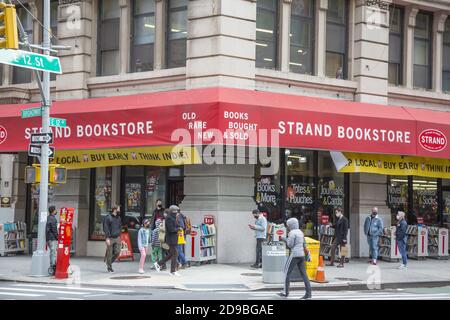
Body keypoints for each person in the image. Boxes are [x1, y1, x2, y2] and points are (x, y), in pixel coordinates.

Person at [278, 218, 312, 299]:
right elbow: (304, 244)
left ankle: (286, 292)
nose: (288, 227)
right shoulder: (300, 232)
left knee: (286, 273)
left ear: (291, 225)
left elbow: (290, 245)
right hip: (302, 255)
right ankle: (308, 293)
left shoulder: (292, 233)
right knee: (304, 274)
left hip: (294, 255)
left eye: (288, 225)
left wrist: (283, 238)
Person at [154, 205, 180, 276]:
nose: (177, 213)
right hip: (171, 239)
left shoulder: (173, 218)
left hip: (174, 239)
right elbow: (171, 229)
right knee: (175, 254)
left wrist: (178, 227)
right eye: (176, 212)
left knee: (172, 254)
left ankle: (159, 264)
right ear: (173, 212)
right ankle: (172, 271)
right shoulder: (169, 218)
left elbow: (177, 225)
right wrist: (178, 229)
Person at [103, 206, 122, 273]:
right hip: (110, 238)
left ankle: (109, 262)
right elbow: (105, 228)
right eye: (118, 209)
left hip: (117, 237)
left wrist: (119, 234)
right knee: (109, 253)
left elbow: (120, 226)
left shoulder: (118, 218)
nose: (119, 210)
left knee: (117, 252)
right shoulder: (108, 217)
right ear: (115, 210)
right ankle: (109, 267)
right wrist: (107, 238)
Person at [46, 206, 58, 276]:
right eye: (55, 210)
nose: (56, 211)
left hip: (49, 238)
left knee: (52, 252)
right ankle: (53, 266)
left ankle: (53, 266)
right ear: (53, 211)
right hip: (52, 238)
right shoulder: (52, 219)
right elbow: (54, 229)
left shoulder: (49, 218)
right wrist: (57, 237)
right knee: (53, 252)